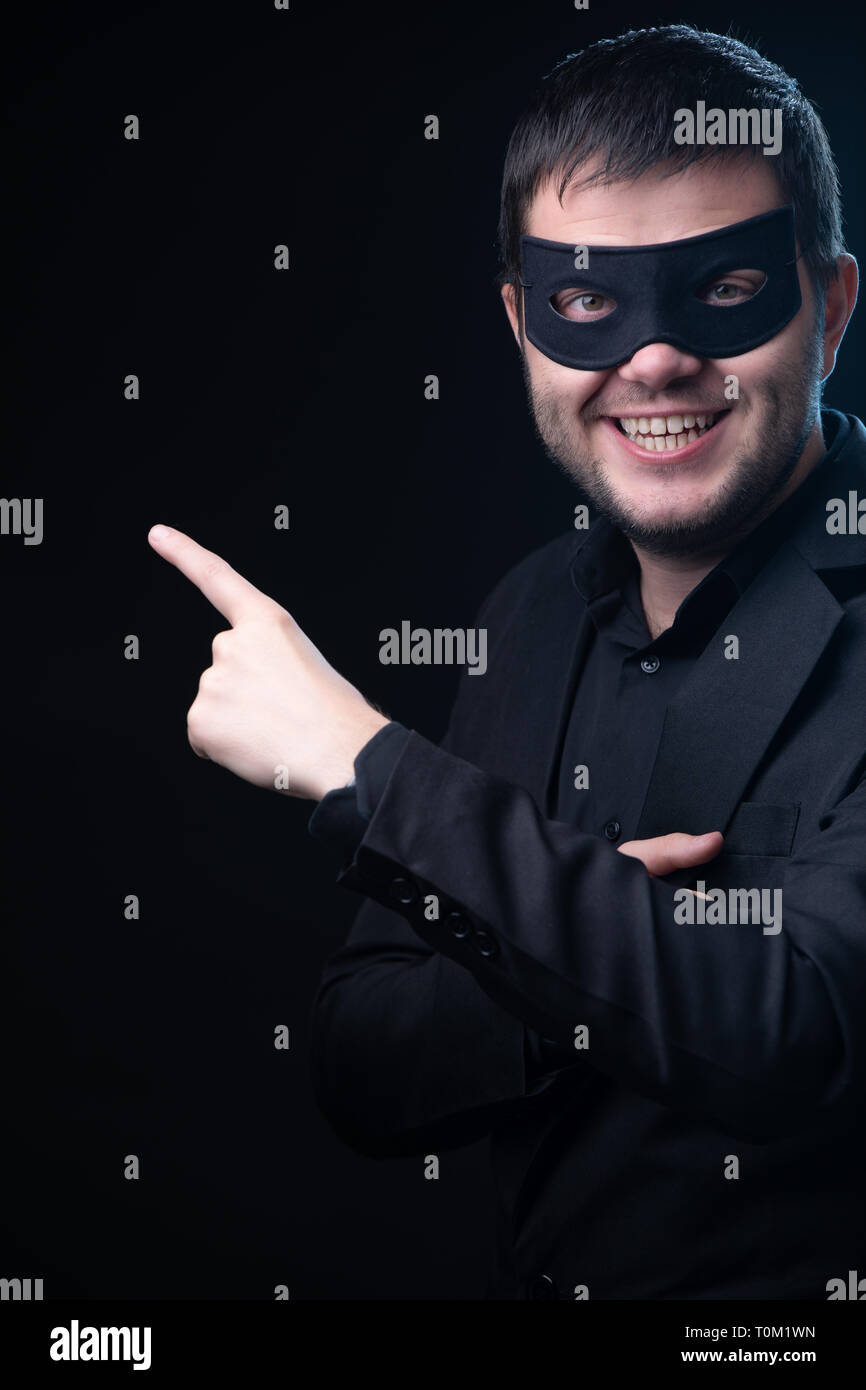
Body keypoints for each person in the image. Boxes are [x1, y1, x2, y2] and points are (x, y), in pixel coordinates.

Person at [148, 26, 865, 1299]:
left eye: (720, 288)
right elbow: (361, 1066)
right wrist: (588, 932)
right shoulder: (527, 614)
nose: (651, 359)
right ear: (519, 323)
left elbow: (795, 1036)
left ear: (829, 305)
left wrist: (366, 769)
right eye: (587, 300)